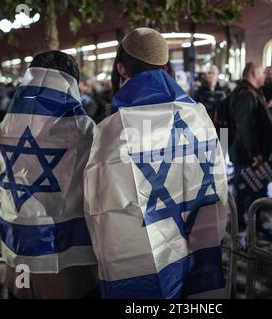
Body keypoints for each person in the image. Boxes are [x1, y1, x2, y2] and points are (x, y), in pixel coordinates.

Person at [84, 27, 228, 299]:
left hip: (141, 259)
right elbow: (217, 180)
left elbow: (101, 204)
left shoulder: (113, 128)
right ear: (165, 66)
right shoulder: (199, 114)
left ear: (121, 69)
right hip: (197, 245)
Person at [0, 51, 99, 298]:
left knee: (21, 292)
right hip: (67, 257)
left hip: (19, 250)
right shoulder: (84, 131)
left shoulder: (5, 130)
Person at [228, 62, 272, 229]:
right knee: (245, 190)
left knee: (252, 188)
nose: (265, 76)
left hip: (250, 155)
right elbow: (244, 127)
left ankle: (247, 223)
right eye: (262, 73)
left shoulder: (251, 93)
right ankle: (242, 225)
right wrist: (253, 154)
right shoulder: (245, 95)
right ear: (254, 73)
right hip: (247, 156)